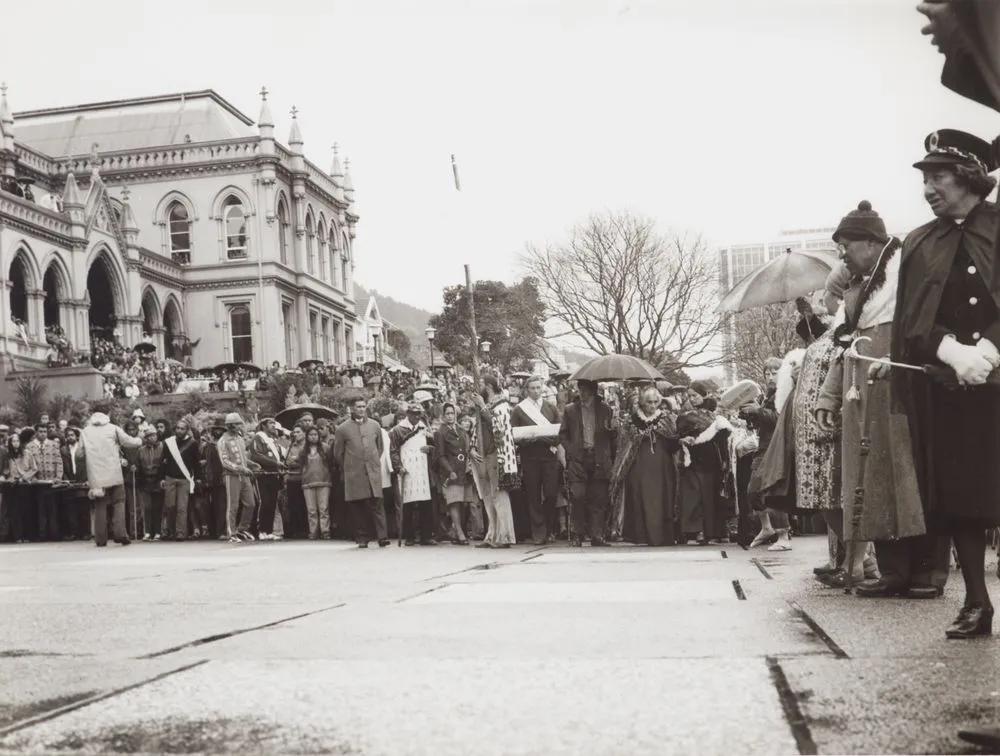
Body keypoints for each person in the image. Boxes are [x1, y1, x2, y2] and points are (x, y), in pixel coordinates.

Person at [891, 130, 1000, 632]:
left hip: (996, 375)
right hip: (951, 385)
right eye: (925, 178)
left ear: (970, 176)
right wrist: (953, 352)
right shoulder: (918, 241)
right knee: (961, 498)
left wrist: (990, 350)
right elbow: (911, 319)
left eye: (938, 176)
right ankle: (976, 602)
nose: (928, 187)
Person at [816, 200, 946, 597]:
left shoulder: (908, 276)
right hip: (863, 398)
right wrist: (828, 396)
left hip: (905, 391)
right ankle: (892, 571)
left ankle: (928, 571)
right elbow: (845, 343)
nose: (842, 255)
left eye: (847, 246)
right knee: (871, 480)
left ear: (873, 245)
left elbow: (931, 329)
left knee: (913, 476)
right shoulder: (855, 289)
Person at [611, 385, 679, 547]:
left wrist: (660, 433)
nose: (653, 405)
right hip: (638, 464)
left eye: (656, 402)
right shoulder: (632, 420)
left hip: (662, 466)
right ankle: (640, 535)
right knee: (639, 495)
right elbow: (624, 443)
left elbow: (674, 440)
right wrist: (639, 436)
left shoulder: (666, 418)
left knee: (662, 497)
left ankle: (663, 535)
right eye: (649, 402)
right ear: (642, 402)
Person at [559, 379, 618, 547]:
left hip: (599, 458)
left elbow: (612, 436)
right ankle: (577, 533)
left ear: (593, 391)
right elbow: (562, 434)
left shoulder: (605, 409)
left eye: (585, 390)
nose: (581, 393)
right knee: (577, 496)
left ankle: (596, 535)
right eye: (580, 389)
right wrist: (571, 450)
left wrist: (614, 430)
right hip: (579, 458)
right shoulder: (571, 410)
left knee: (598, 498)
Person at [511, 375, 561, 545]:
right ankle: (539, 533)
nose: (535, 391)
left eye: (538, 388)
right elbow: (514, 435)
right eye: (532, 388)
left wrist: (546, 439)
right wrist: (529, 439)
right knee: (533, 495)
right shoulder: (519, 410)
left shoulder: (551, 408)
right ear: (526, 390)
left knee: (551, 493)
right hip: (530, 457)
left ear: (542, 389)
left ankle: (549, 527)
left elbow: (559, 433)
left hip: (549, 457)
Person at [80, 408, 142, 547]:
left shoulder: (85, 432)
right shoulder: (113, 428)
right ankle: (121, 534)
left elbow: (79, 453)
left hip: (96, 476)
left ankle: (101, 539)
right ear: (106, 416)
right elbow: (128, 442)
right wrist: (139, 440)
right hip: (114, 472)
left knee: (100, 505)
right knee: (119, 502)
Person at [334, 397, 389, 548]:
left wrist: (372, 461)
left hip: (372, 470)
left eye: (363, 406)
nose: (361, 409)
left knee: (377, 503)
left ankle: (382, 536)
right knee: (358, 506)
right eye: (358, 406)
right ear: (351, 408)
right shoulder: (342, 429)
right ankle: (362, 537)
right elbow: (338, 453)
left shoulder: (375, 425)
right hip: (354, 472)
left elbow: (380, 448)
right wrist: (350, 466)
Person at [389, 401, 437, 546]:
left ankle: (426, 535)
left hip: (422, 468)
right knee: (408, 503)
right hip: (407, 468)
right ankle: (409, 536)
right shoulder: (398, 430)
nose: (417, 417)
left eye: (419, 414)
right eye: (414, 414)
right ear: (408, 414)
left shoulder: (424, 428)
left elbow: (433, 445)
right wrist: (399, 466)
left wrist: (430, 448)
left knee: (425, 502)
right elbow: (393, 450)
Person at [217, 412, 259, 543]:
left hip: (244, 476)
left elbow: (243, 458)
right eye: (238, 424)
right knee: (233, 505)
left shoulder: (240, 439)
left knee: (251, 503)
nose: (240, 426)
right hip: (231, 476)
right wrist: (241, 468)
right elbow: (225, 461)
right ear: (230, 426)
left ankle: (242, 528)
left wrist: (252, 464)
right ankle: (231, 532)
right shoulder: (223, 441)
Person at [434, 402, 471, 545]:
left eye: (452, 413)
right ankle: (460, 534)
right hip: (452, 471)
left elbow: (467, 449)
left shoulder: (461, 430)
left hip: (464, 470)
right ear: (443, 416)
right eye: (447, 414)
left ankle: (456, 531)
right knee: (454, 502)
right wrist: (450, 471)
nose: (450, 416)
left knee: (464, 503)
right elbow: (440, 455)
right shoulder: (440, 432)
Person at [160, 417, 200, 541]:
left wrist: (198, 478)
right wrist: (162, 478)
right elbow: (163, 461)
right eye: (177, 428)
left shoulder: (193, 443)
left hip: (185, 479)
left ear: (187, 430)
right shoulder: (169, 443)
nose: (179, 430)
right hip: (170, 478)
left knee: (182, 507)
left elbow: (196, 463)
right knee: (170, 506)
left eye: (182, 429)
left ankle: (181, 533)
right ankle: (170, 531)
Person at [249, 418, 285, 541]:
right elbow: (256, 455)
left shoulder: (273, 441)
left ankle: (269, 530)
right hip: (262, 475)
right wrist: (275, 463)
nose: (273, 426)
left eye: (274, 423)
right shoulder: (258, 438)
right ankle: (261, 529)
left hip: (273, 475)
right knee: (264, 502)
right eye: (270, 423)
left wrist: (280, 464)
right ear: (263, 426)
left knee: (272, 503)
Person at [299, 427, 333, 539]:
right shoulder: (303, 451)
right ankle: (313, 532)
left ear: (318, 436)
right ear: (307, 436)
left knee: (324, 508)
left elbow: (331, 463)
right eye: (311, 434)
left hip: (323, 481)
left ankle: (325, 531)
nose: (313, 437)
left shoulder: (326, 448)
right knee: (311, 509)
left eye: (315, 434)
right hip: (308, 482)